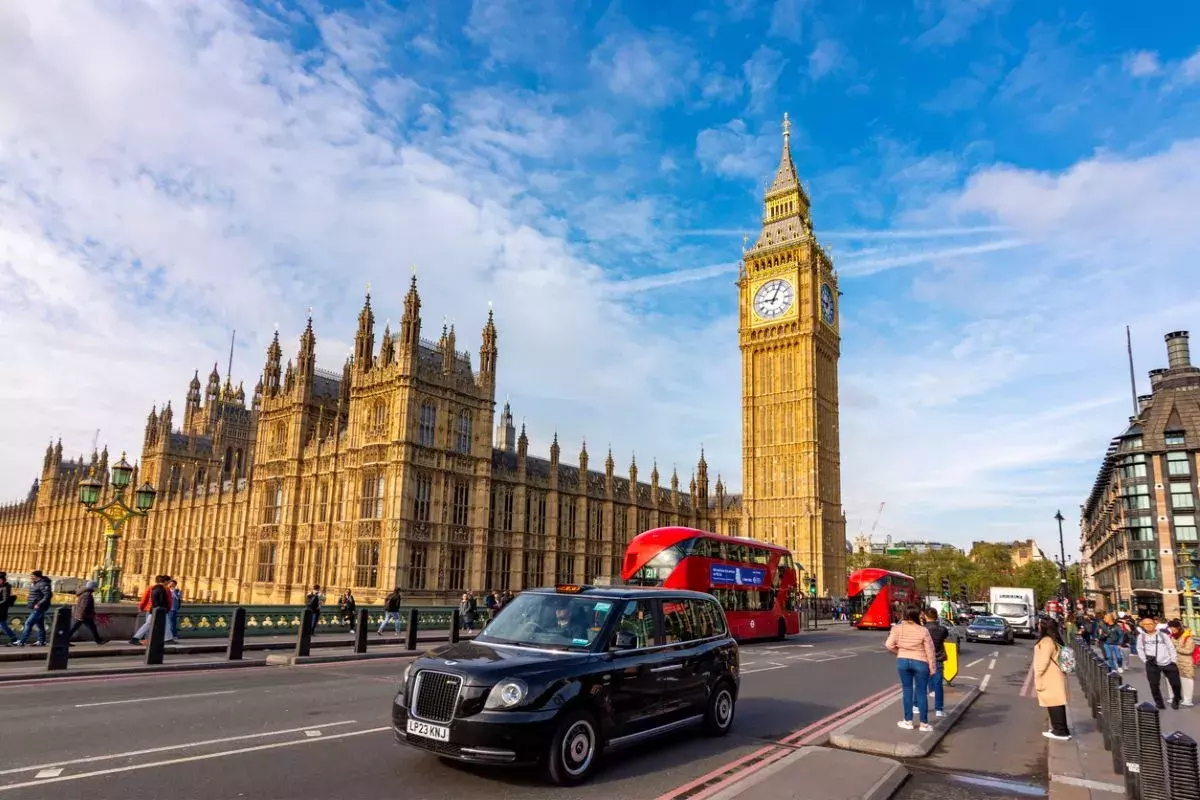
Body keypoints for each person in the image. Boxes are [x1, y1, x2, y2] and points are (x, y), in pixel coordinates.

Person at [885, 606, 937, 732]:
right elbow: (930, 651)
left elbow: (888, 645)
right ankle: (924, 724)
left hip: (903, 661)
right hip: (920, 662)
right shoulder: (923, 630)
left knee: (907, 690)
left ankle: (908, 721)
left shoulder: (897, 628)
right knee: (921, 692)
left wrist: (899, 652)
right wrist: (932, 667)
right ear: (916, 616)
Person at [1034, 617, 1071, 740]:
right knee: (1056, 703)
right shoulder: (1054, 640)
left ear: (1044, 626)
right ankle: (1060, 729)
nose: (1038, 626)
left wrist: (1038, 675)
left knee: (1054, 703)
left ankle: (1060, 731)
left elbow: (1043, 661)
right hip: (1056, 675)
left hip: (1050, 676)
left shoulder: (1046, 642)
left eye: (1040, 624)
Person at [1136, 615, 1181, 710]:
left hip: (1167, 663)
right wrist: (1145, 660)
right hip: (1152, 664)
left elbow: (1171, 647)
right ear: (1143, 626)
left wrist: (1173, 660)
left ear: (1155, 624)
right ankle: (1159, 703)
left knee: (1176, 684)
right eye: (1145, 624)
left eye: (1150, 624)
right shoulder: (1142, 637)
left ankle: (1176, 700)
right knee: (1154, 685)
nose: (1148, 626)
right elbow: (1139, 649)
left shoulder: (1163, 635)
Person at [14, 569, 53, 647]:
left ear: (36, 576)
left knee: (28, 623)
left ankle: (22, 641)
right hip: (36, 607)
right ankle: (41, 641)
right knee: (40, 625)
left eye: (32, 575)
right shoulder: (35, 583)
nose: (30, 577)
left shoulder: (43, 583)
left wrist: (39, 604)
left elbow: (48, 595)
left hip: (39, 607)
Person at [922, 608, 949, 718]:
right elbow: (944, 637)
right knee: (938, 685)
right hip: (938, 659)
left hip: (924, 659)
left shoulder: (922, 629)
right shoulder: (942, 629)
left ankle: (919, 707)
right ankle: (939, 709)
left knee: (921, 685)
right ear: (936, 616)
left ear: (925, 616)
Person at [1167, 619, 1195, 708]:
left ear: (1178, 627)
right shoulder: (1170, 636)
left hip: (1185, 661)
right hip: (1172, 661)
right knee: (1170, 679)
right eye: (1171, 628)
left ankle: (1188, 699)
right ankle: (1173, 697)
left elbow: (1189, 650)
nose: (1172, 630)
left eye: (1173, 628)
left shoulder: (1187, 637)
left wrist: (1176, 648)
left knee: (1186, 679)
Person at [69, 580, 105, 645]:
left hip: (83, 615)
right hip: (84, 615)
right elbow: (84, 606)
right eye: (95, 587)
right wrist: (81, 616)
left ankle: (99, 640)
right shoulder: (87, 595)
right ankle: (99, 641)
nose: (96, 589)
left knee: (76, 628)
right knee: (75, 628)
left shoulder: (85, 593)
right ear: (92, 587)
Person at [0, 572, 16, 644]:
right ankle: (14, 639)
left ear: (3, 579)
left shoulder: (6, 587)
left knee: (4, 626)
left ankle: (14, 639)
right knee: (3, 625)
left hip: (2, 609)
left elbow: (5, 599)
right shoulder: (1, 586)